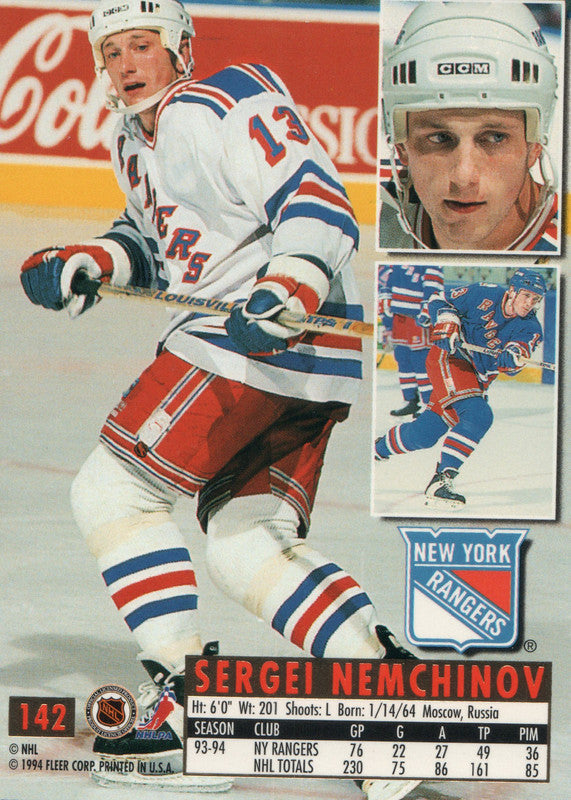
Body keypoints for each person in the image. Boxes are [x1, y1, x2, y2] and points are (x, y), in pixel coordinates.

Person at [20, 2, 419, 798]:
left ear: (182, 51)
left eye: (144, 45)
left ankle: (186, 708)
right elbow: (152, 244)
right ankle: (390, 701)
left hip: (261, 337)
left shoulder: (222, 101)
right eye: (112, 51)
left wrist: (288, 284)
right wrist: (88, 260)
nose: (127, 63)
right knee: (246, 544)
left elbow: (317, 200)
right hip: (297, 357)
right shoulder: (130, 139)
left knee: (112, 491)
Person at [379, 2, 559, 252]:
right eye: (439, 138)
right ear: (401, 147)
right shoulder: (369, 204)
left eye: (495, 137)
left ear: (535, 145)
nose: (463, 178)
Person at [375, 268, 546, 509]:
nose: (530, 303)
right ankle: (441, 480)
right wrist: (448, 321)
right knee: (479, 415)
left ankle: (378, 449)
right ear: (512, 291)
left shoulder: (531, 327)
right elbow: (438, 299)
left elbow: (517, 356)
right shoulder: (482, 293)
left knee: (425, 434)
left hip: (475, 379)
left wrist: (512, 357)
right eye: (526, 295)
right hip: (449, 358)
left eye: (535, 299)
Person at [378, 263, 444, 417]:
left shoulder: (429, 261)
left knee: (420, 361)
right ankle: (410, 400)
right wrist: (387, 316)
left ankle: (429, 404)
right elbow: (388, 283)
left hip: (417, 318)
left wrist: (427, 311)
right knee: (403, 359)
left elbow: (433, 286)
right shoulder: (397, 261)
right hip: (398, 316)